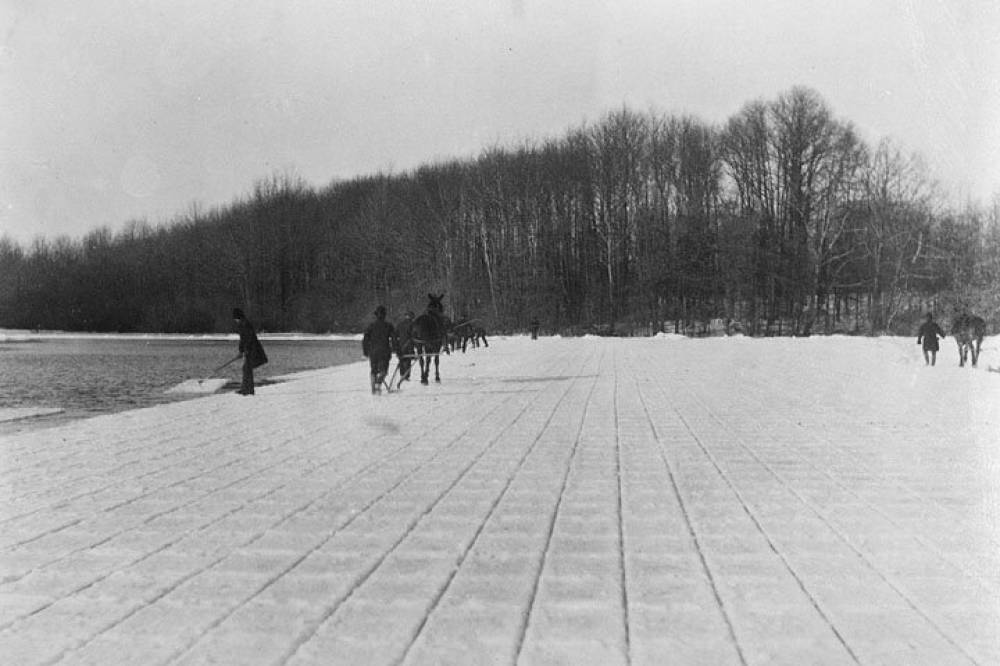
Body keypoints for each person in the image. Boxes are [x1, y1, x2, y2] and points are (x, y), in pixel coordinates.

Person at [362, 305, 398, 394]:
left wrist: (365, 351)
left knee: (373, 370)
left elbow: (365, 339)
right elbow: (394, 339)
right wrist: (396, 350)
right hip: (384, 351)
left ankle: (373, 389)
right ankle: (378, 384)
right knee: (384, 371)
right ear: (384, 315)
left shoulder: (371, 326)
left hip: (373, 351)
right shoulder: (388, 326)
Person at [233, 308, 267, 395]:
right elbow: (243, 339)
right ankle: (246, 389)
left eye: (235, 318)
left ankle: (247, 390)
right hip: (249, 349)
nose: (235, 321)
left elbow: (248, 338)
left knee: (247, 369)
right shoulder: (243, 324)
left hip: (252, 349)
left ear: (238, 317)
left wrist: (246, 349)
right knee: (246, 369)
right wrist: (241, 351)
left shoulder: (245, 324)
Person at [395, 311, 415, 382]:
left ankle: (402, 374)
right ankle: (406, 376)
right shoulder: (412, 324)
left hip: (401, 344)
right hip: (409, 345)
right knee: (408, 360)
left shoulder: (400, 324)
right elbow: (413, 335)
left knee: (402, 359)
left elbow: (396, 334)